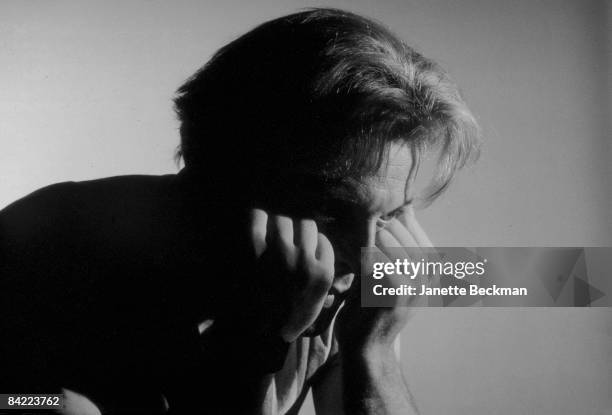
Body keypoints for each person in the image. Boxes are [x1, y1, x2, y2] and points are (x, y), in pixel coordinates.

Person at [0, 8, 480, 414]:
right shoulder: (49, 256)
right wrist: (250, 348)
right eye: (331, 210)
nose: (369, 256)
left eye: (394, 214)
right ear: (214, 170)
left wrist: (373, 351)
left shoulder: (342, 275)